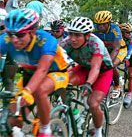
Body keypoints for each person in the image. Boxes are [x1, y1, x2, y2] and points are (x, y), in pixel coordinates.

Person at [0, 8, 70, 137]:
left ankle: (46, 129)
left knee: (39, 91)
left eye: (20, 35)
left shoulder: (46, 40)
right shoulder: (6, 40)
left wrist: (27, 91)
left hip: (55, 72)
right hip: (29, 75)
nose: (14, 40)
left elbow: (43, 69)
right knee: (12, 121)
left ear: (32, 32)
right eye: (11, 34)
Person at [61, 17, 113, 137]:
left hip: (102, 72)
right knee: (62, 81)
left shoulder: (96, 43)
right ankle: (69, 113)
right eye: (71, 34)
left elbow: (96, 68)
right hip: (83, 68)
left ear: (87, 36)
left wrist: (88, 84)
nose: (73, 39)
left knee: (93, 104)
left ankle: (99, 132)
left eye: (77, 35)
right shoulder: (66, 42)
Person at [93, 11, 127, 98]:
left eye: (103, 24)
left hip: (120, 49)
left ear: (109, 23)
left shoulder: (115, 30)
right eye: (98, 24)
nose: (100, 26)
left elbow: (116, 49)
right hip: (106, 50)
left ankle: (117, 87)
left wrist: (108, 62)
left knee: (111, 65)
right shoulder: (94, 29)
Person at [119, 23, 132, 105]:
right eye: (128, 32)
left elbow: (131, 49)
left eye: (131, 32)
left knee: (131, 74)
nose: (130, 34)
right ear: (122, 33)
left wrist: (127, 59)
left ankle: (129, 94)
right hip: (122, 52)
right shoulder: (118, 37)